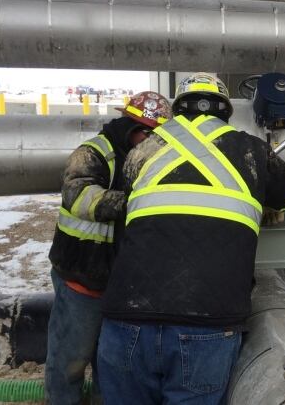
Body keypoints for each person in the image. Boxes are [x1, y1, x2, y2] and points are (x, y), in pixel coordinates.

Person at [96, 73, 285, 404]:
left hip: (127, 319)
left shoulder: (142, 152)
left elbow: (132, 200)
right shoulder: (253, 150)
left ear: (178, 109)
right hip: (207, 324)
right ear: (225, 110)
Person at [46, 91, 173, 404]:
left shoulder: (153, 161)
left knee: (114, 367)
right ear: (133, 128)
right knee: (70, 362)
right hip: (82, 279)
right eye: (151, 135)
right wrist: (134, 203)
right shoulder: (94, 153)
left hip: (122, 288)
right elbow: (78, 195)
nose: (156, 143)